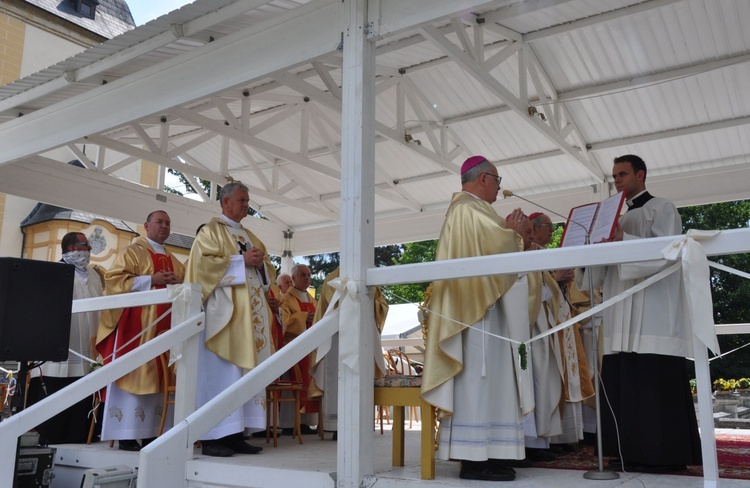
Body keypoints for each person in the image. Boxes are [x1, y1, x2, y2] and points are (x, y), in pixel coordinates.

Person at [577, 154, 701, 472]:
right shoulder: (615, 218)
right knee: (624, 383)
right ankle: (626, 450)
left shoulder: (663, 208)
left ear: (640, 175)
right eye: (614, 175)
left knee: (653, 383)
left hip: (653, 309)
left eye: (622, 174)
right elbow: (599, 276)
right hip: (621, 310)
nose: (616, 180)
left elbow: (667, 254)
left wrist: (622, 240)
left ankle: (664, 455)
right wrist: (591, 248)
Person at [420, 155, 528, 482]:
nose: (499, 186)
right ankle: (473, 459)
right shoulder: (467, 209)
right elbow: (497, 245)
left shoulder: (474, 210)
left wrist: (509, 232)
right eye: (497, 180)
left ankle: (489, 453)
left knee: (491, 384)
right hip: (473, 318)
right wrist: (515, 233)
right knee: (477, 384)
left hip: (484, 312)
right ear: (483, 179)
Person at [186, 182, 275, 457]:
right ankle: (213, 437)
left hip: (249, 321)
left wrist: (261, 265)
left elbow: (268, 273)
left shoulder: (250, 235)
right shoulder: (209, 232)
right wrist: (241, 260)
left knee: (241, 376)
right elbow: (203, 267)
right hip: (222, 318)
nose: (246, 205)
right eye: (241, 200)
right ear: (225, 202)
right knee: (220, 375)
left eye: (247, 200)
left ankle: (237, 433)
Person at [96, 211, 185, 451]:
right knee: (133, 374)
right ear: (146, 226)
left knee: (160, 378)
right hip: (136, 328)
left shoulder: (175, 261)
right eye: (159, 222)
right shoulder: (132, 252)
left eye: (168, 223)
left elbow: (187, 287)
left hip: (165, 328)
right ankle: (126, 434)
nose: (164, 226)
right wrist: (151, 279)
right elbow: (114, 282)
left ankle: (152, 433)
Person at [26, 232, 104, 444]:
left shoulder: (95, 275)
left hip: (89, 349)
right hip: (63, 346)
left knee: (82, 397)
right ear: (72, 248)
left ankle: (79, 436)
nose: (88, 249)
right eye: (85, 245)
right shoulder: (54, 272)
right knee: (57, 397)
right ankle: (53, 438)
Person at [529, 213, 594, 450]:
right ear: (534, 229)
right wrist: (556, 280)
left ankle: (564, 435)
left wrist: (561, 283)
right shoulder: (527, 253)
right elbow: (532, 290)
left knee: (562, 378)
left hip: (560, 321)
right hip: (542, 326)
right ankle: (550, 439)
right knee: (546, 379)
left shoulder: (546, 253)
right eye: (548, 227)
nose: (552, 231)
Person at [309, 266, 389, 439]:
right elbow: (328, 306)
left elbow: (381, 305)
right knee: (337, 380)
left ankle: (361, 424)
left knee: (360, 379)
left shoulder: (369, 273)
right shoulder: (333, 277)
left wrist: (369, 302)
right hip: (336, 337)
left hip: (363, 336)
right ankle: (338, 426)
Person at [279, 264, 318, 435]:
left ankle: (306, 422)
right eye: (303, 275)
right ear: (293, 279)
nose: (307, 278)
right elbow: (284, 323)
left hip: (312, 349)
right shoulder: (286, 299)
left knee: (310, 383)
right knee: (294, 383)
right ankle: (290, 424)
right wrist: (304, 317)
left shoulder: (312, 299)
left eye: (309, 275)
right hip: (295, 349)